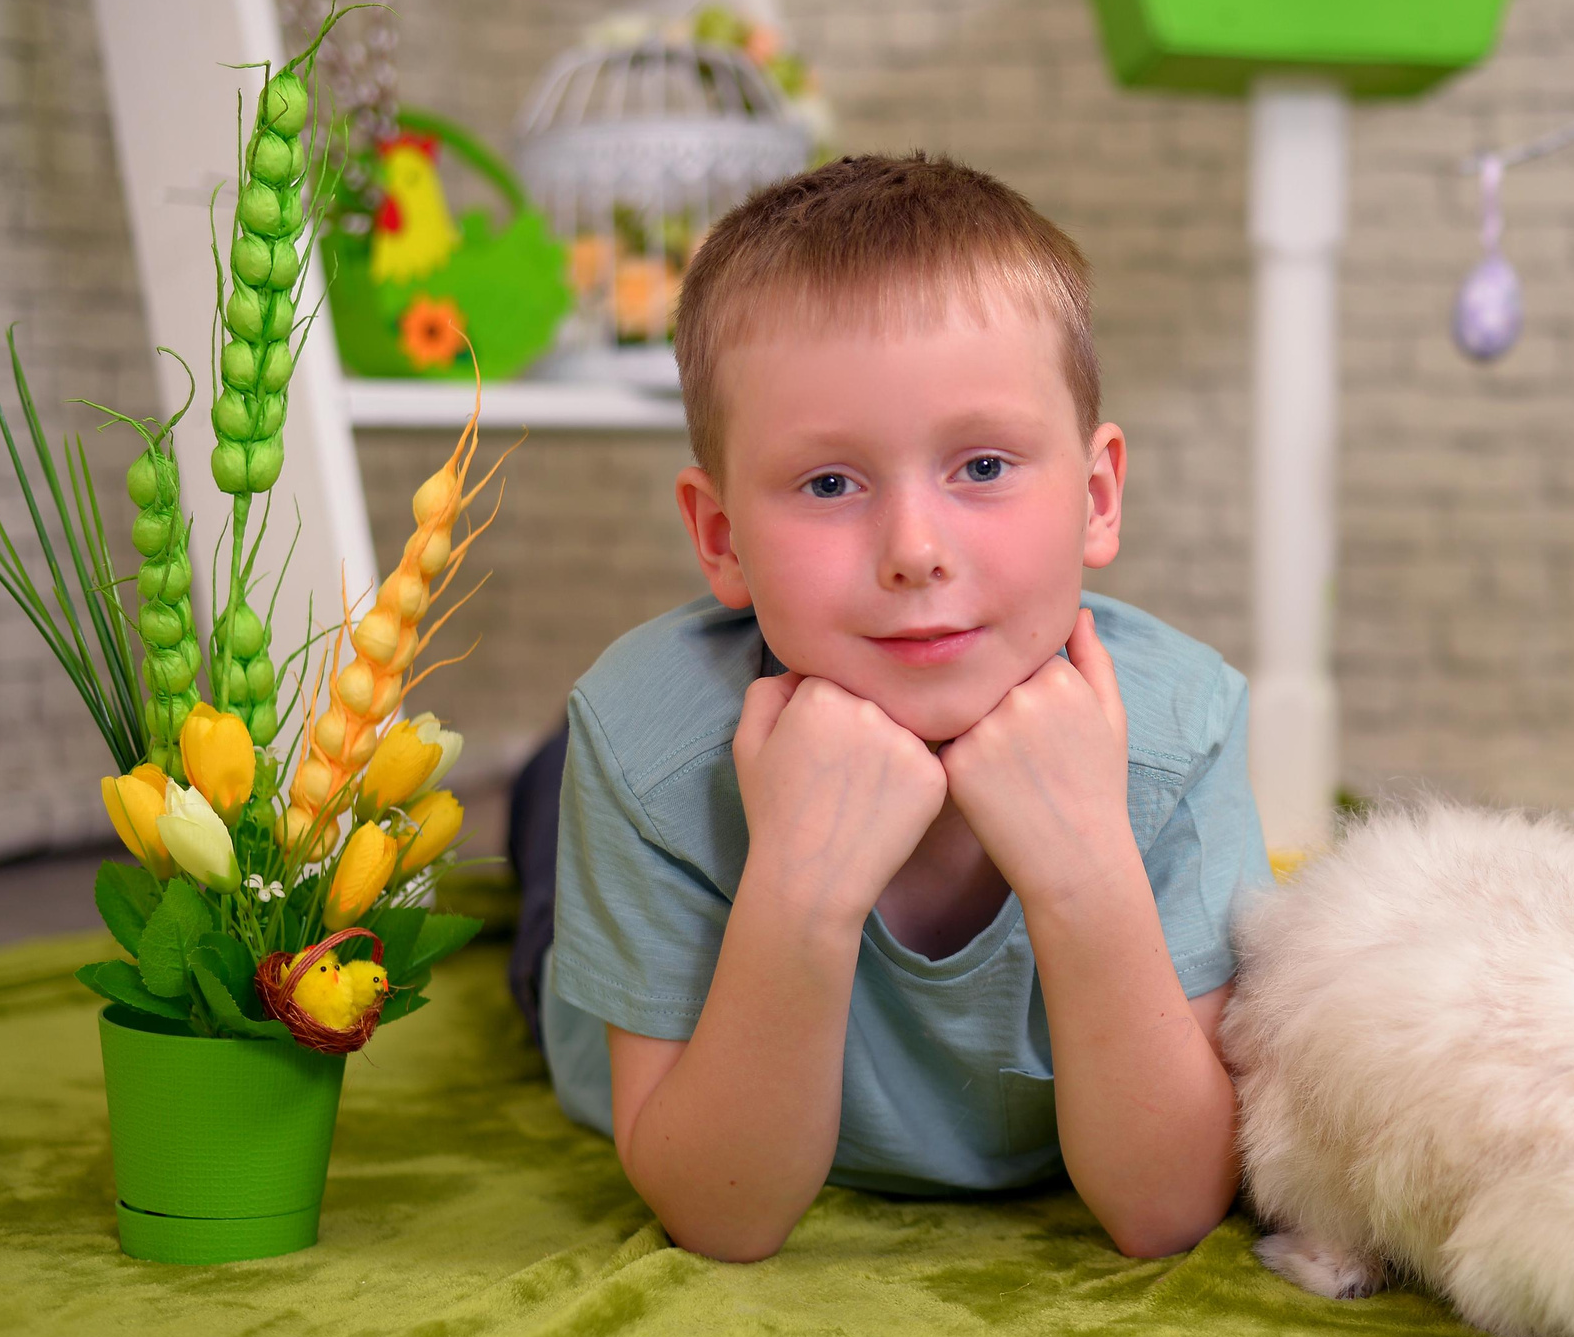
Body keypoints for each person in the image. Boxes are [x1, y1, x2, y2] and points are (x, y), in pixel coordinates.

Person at [514, 154, 1270, 1264]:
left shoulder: (1180, 726)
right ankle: (538, 785)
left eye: (982, 464)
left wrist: (1082, 873)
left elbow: (1165, 1208)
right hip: (651, 893)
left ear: (1098, 498)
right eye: (829, 483)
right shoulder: (643, 740)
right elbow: (719, 1212)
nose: (915, 551)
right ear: (720, 537)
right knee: (543, 820)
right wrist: (801, 890)